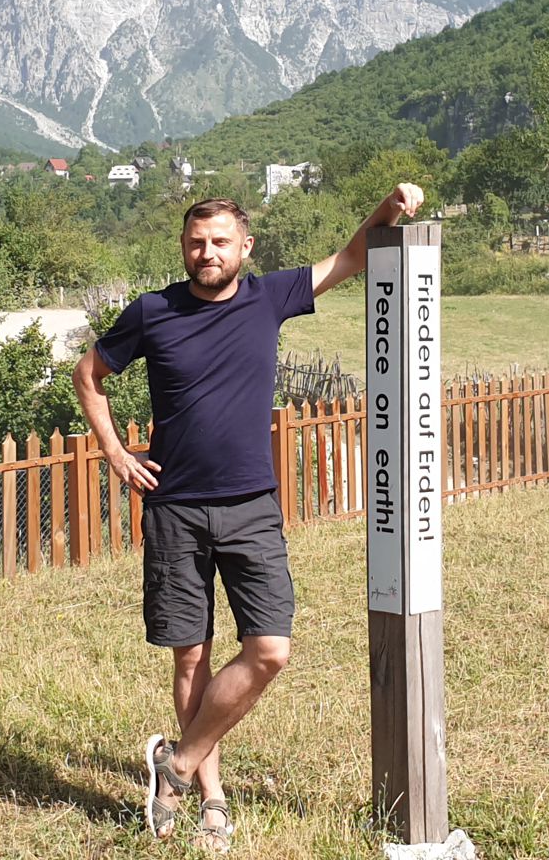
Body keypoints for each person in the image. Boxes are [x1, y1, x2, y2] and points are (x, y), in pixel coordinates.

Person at [73, 183, 424, 852]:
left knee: (269, 650)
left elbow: (352, 256)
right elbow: (88, 374)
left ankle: (175, 766)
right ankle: (210, 800)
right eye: (195, 243)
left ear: (245, 247)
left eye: (219, 242)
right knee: (191, 655)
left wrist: (388, 205)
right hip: (174, 509)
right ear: (183, 248)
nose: (207, 253)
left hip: (251, 506)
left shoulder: (271, 296)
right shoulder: (152, 311)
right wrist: (116, 453)